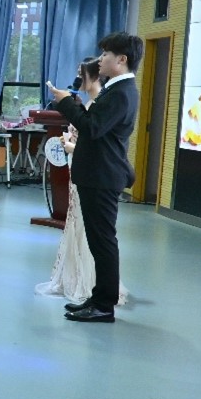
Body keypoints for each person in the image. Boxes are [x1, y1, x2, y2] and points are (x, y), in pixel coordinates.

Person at [48, 32, 142, 324]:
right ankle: (99, 297)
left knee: (102, 242)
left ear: (121, 59)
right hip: (98, 174)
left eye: (105, 55)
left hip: (103, 176)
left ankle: (104, 305)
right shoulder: (117, 89)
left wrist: (66, 102)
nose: (100, 60)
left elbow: (92, 127)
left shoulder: (121, 92)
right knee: (98, 241)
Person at [37, 60, 129, 308]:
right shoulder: (91, 102)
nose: (78, 78)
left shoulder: (104, 101)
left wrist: (72, 146)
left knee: (93, 234)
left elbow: (98, 140)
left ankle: (91, 286)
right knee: (79, 227)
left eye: (82, 74)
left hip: (94, 173)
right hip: (81, 170)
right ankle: (80, 280)